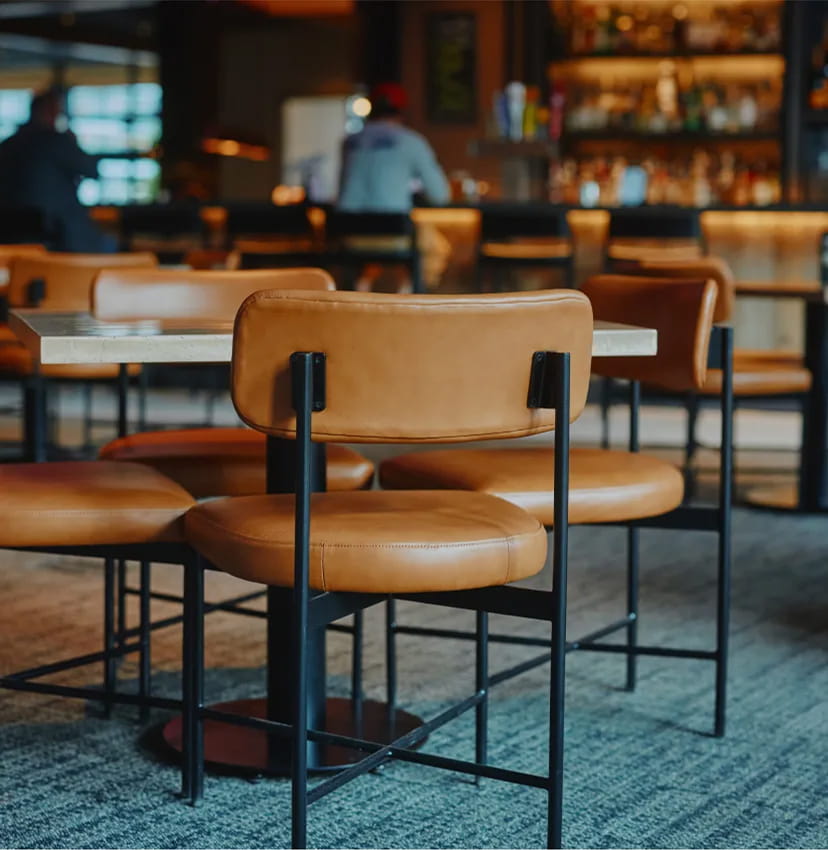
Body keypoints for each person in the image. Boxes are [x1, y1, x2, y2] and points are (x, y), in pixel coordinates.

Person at [337, 82, 450, 292]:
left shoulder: (349, 142)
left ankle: (361, 292)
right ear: (402, 112)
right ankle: (408, 297)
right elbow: (441, 195)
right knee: (435, 248)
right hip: (395, 234)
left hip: (349, 235)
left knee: (371, 254)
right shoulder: (412, 141)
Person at [0, 87, 113, 253]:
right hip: (62, 235)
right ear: (50, 112)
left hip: (10, 237)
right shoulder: (58, 142)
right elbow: (92, 170)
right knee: (109, 245)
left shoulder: (7, 145)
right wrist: (73, 143)